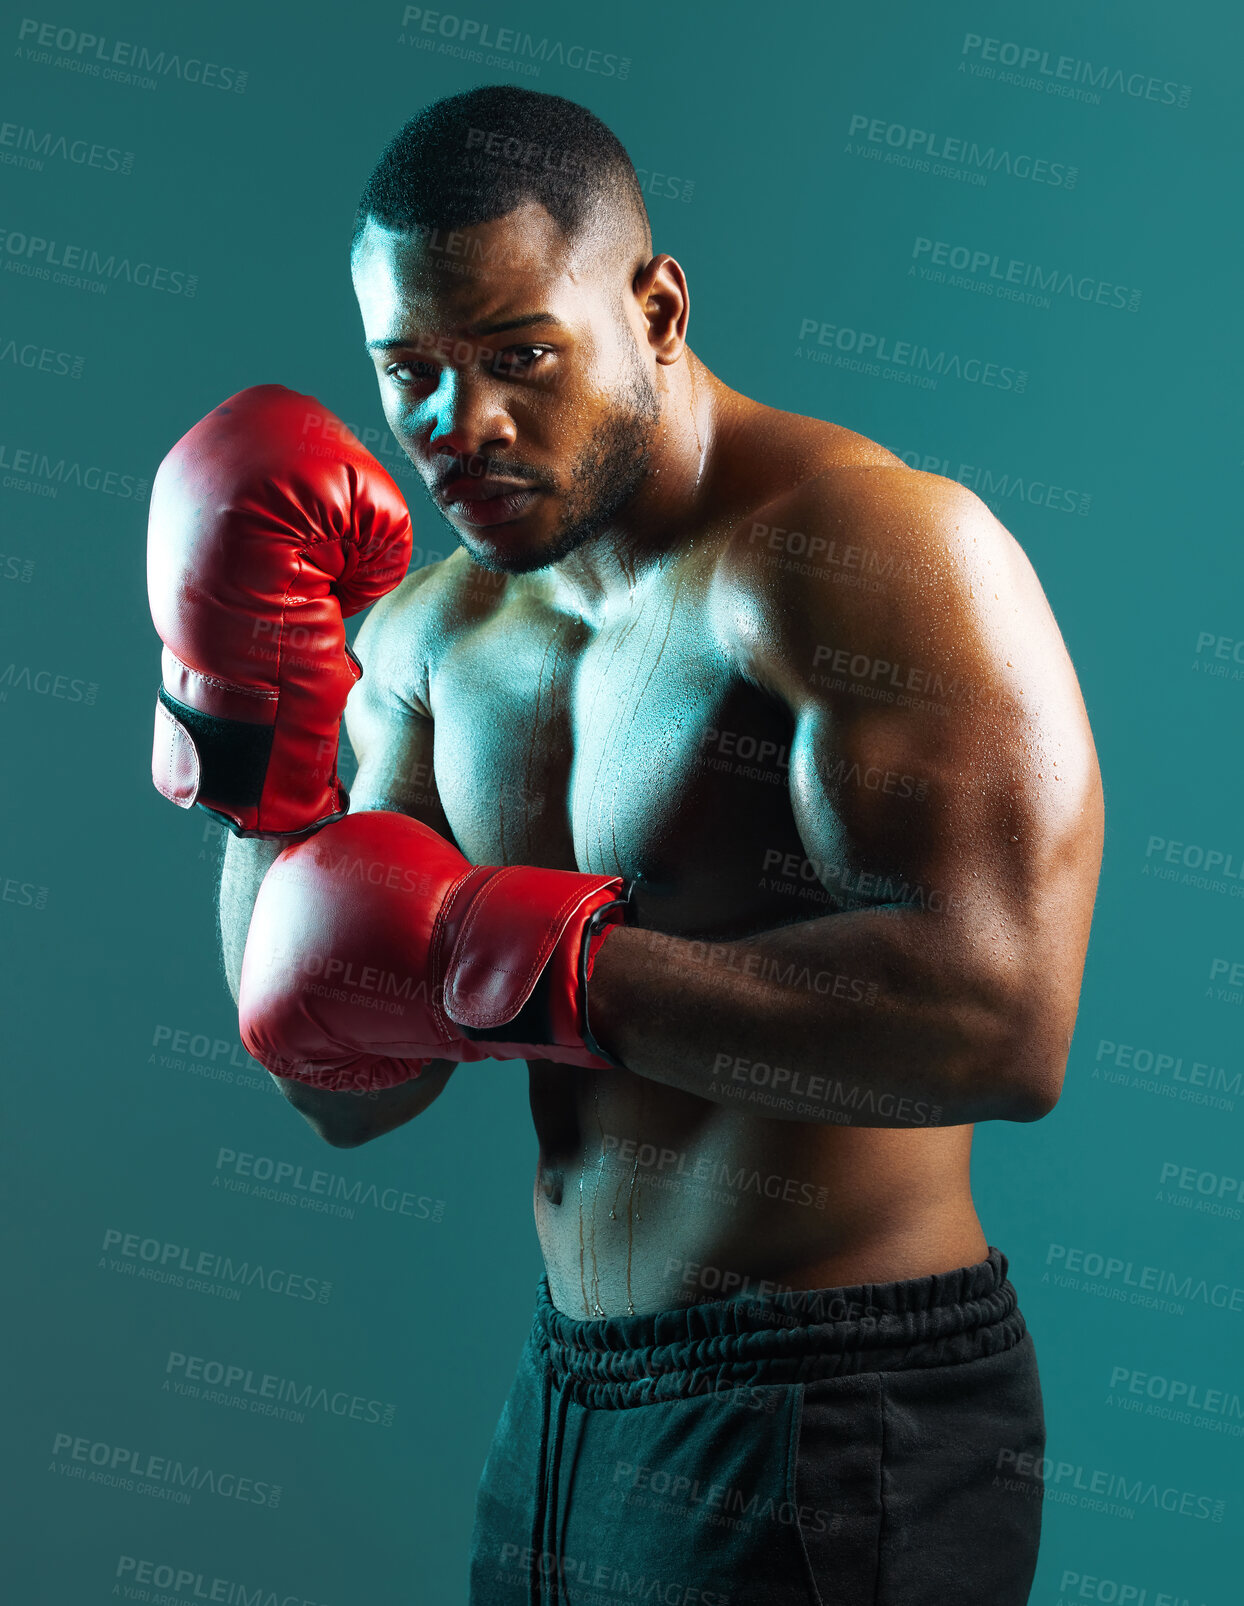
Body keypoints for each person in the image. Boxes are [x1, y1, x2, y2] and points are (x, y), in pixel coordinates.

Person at [147, 85, 1102, 1606]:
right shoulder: (443, 634)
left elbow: (1002, 1019)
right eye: (414, 376)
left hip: (835, 1395)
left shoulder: (865, 560)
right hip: (569, 1394)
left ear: (655, 308)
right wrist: (255, 754)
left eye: (520, 354)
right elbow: (339, 1083)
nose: (464, 426)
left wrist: (545, 972)